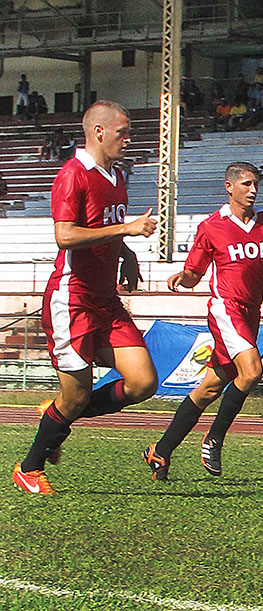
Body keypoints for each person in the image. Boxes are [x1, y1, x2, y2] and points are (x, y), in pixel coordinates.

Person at [12, 101, 159, 495]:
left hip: (105, 298)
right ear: (98, 132)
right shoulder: (72, 174)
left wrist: (126, 255)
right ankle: (30, 467)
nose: (128, 140)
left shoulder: (116, 176)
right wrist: (127, 231)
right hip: (71, 299)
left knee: (143, 382)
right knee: (75, 394)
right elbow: (65, 236)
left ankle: (56, 416)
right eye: (122, 132)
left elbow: (105, 227)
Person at [142, 162, 263, 481]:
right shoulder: (212, 226)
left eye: (256, 184)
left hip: (251, 313)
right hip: (226, 309)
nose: (253, 190)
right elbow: (195, 271)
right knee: (252, 372)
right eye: (247, 184)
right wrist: (185, 276)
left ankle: (161, 451)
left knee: (210, 387)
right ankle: (214, 438)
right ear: (229, 186)